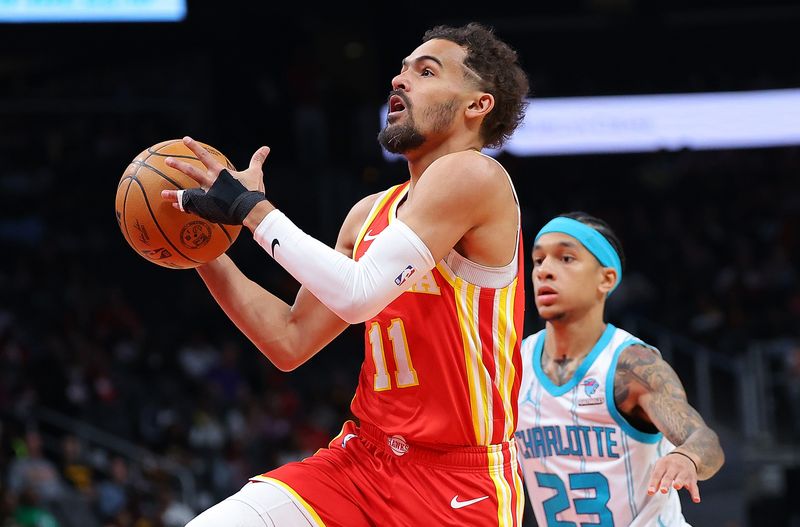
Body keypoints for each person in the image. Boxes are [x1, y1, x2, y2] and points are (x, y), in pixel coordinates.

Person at [161, 22, 530, 526]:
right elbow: (289, 341)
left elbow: (359, 296)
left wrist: (251, 209)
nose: (400, 81)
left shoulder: (475, 175)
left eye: (426, 71)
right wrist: (200, 246)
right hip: (362, 460)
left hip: (457, 482)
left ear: (477, 105)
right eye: (401, 71)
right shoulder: (368, 213)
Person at [515, 212, 725, 526]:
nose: (545, 271)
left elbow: (705, 440)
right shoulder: (515, 363)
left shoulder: (631, 365)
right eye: (538, 260)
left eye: (566, 258)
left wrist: (686, 457)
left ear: (606, 279)